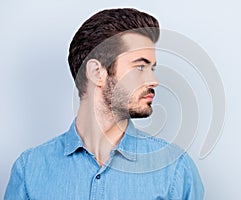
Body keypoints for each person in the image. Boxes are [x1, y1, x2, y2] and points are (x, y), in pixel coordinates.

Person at [5, 8, 204, 200]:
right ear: (97, 73)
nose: (153, 80)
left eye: (152, 68)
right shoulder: (30, 169)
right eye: (140, 67)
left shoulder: (175, 169)